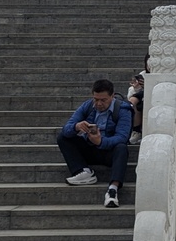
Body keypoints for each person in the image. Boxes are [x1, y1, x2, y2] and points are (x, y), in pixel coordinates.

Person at [56, 79, 133, 208]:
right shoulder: (87, 106)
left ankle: (113, 189)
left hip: (109, 151)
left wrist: (101, 141)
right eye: (96, 99)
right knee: (63, 137)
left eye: (103, 100)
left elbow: (122, 137)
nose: (99, 104)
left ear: (112, 96)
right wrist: (76, 127)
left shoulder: (123, 109)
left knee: (121, 148)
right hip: (90, 148)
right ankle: (83, 171)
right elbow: (66, 128)